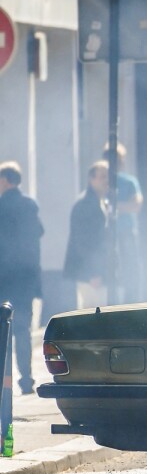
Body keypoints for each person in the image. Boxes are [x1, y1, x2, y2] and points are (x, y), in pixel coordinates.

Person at [0, 162, 44, 395]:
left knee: (2, 329)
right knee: (22, 329)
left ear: (5, 180)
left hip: (4, 278)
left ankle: (2, 380)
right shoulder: (30, 205)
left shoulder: (1, 206)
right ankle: (26, 379)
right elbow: (38, 234)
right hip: (26, 278)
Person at [63, 161, 112, 310]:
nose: (106, 180)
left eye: (108, 176)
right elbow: (83, 242)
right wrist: (93, 272)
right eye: (102, 177)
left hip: (98, 272)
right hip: (90, 274)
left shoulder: (101, 202)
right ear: (91, 179)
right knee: (92, 314)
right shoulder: (85, 205)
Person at [104, 142, 143, 303]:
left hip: (126, 231)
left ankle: (130, 302)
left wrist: (114, 206)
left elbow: (136, 205)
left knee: (130, 269)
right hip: (107, 231)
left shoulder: (129, 182)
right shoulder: (103, 179)